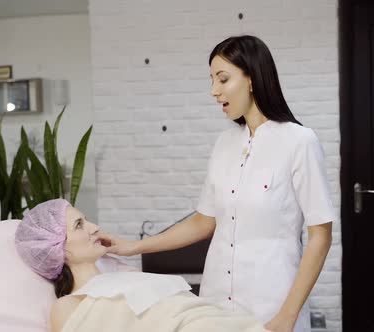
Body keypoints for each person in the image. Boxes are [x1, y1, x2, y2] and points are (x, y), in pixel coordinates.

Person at [105, 35, 336, 332]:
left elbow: (321, 236)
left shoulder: (299, 142)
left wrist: (287, 316)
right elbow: (203, 222)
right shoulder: (224, 143)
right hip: (215, 304)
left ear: (251, 78)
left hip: (272, 305)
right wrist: (131, 247)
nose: (214, 91)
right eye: (212, 80)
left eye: (223, 79)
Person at [14, 199, 268, 332]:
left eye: (87, 220)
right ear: (57, 248)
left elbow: (182, 308)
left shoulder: (129, 274)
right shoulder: (67, 306)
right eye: (79, 225)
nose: (94, 228)